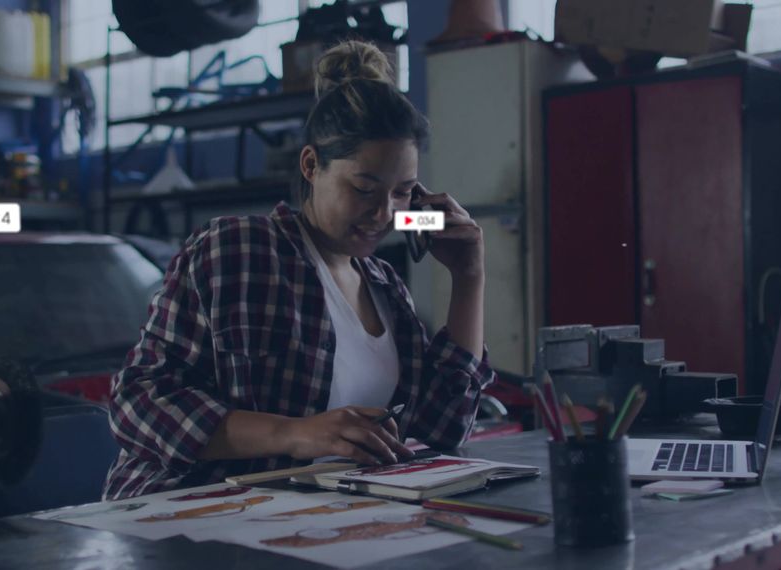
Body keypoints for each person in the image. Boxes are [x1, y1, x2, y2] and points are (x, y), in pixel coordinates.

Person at [104, 40, 495, 500]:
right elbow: (138, 404)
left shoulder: (388, 290)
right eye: (364, 188)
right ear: (311, 165)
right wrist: (296, 433)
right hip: (192, 513)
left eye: (403, 193)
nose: (384, 213)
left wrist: (469, 278)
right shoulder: (238, 250)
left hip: (316, 524)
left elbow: (443, 427)